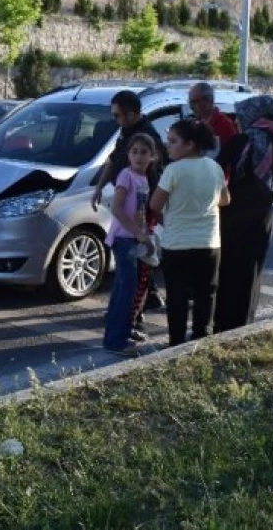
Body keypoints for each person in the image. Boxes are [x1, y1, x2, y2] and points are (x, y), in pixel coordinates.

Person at [93, 90, 169, 340]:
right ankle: (123, 326)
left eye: (118, 116)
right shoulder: (128, 147)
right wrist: (99, 186)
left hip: (142, 220)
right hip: (130, 229)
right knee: (130, 281)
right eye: (134, 153)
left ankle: (128, 321)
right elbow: (113, 162)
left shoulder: (147, 139)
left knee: (135, 278)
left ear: (132, 114)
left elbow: (157, 184)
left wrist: (152, 222)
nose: (116, 120)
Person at [215, 95, 273, 333]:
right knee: (252, 268)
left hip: (233, 211)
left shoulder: (240, 141)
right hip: (262, 214)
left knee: (228, 266)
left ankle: (223, 322)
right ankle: (243, 322)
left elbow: (218, 169)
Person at [150, 119, 230, 346]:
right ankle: (202, 338)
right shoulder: (214, 167)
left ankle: (176, 342)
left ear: (190, 144)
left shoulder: (173, 170)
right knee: (206, 294)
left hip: (177, 244)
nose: (168, 146)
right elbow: (225, 200)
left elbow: (155, 204)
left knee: (178, 297)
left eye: (173, 141)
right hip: (209, 242)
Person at [100, 133, 160, 357]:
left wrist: (146, 235)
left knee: (127, 289)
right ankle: (116, 341)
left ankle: (119, 335)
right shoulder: (126, 175)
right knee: (125, 291)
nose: (139, 156)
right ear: (128, 155)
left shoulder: (143, 178)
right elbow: (117, 209)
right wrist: (137, 233)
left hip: (135, 237)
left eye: (144, 152)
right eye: (134, 152)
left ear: (153, 157)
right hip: (124, 238)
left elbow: (141, 212)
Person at [188, 82, 238, 157]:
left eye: (194, 102)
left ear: (209, 100)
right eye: (190, 102)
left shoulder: (224, 124)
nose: (191, 106)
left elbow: (233, 157)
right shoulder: (196, 123)